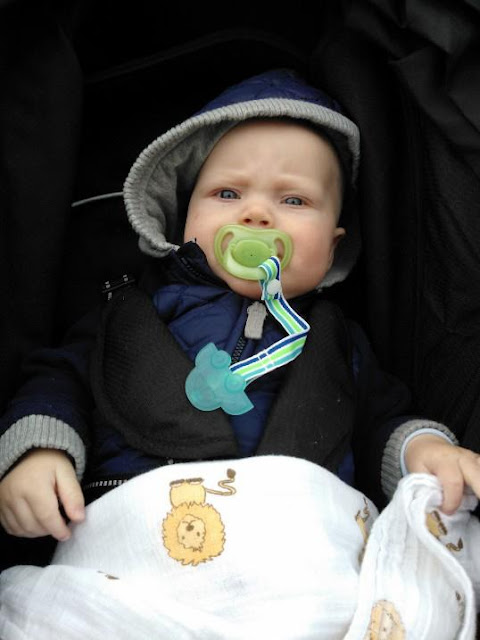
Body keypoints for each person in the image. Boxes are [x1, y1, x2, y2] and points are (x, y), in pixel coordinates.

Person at [2, 67, 480, 638]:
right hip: (134, 553)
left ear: (332, 248)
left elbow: (383, 418)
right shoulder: (128, 313)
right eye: (227, 193)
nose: (256, 214)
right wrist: (40, 452)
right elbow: (59, 380)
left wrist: (423, 449)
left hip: (300, 560)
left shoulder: (339, 340)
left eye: (294, 199)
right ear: (184, 216)